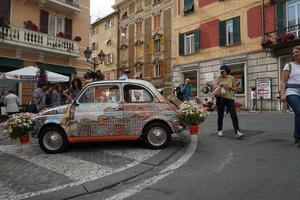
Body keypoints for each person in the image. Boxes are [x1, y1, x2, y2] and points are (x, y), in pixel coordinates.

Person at [214, 64, 244, 139]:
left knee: (233, 115)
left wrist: (229, 87)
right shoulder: (219, 78)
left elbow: (236, 89)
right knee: (220, 115)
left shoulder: (232, 78)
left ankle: (237, 131)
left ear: (226, 71)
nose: (221, 73)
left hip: (229, 99)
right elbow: (214, 87)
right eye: (220, 71)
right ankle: (220, 130)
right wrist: (219, 85)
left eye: (223, 71)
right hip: (220, 98)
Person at [280, 45, 300, 146]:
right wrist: (282, 94)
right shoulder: (289, 65)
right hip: (292, 91)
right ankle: (298, 137)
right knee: (299, 111)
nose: (295, 54)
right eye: (293, 52)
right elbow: (283, 81)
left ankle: (297, 136)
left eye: (297, 52)